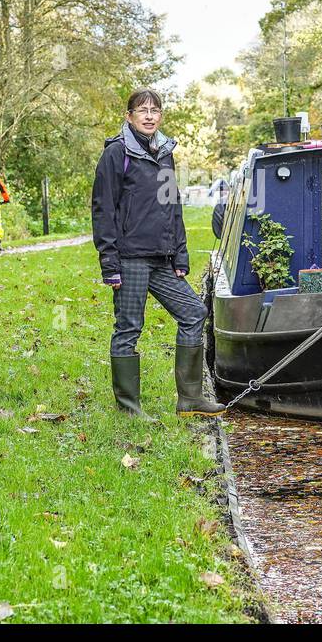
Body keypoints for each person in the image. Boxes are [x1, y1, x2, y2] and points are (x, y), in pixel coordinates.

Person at [91, 88, 227, 419]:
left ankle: (190, 399)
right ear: (129, 116)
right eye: (142, 110)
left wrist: (180, 254)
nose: (150, 115)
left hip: (162, 260)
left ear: (161, 116)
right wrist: (110, 263)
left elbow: (172, 205)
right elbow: (103, 209)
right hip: (130, 258)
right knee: (128, 329)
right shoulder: (116, 154)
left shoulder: (165, 153)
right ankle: (129, 408)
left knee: (194, 312)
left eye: (155, 110)